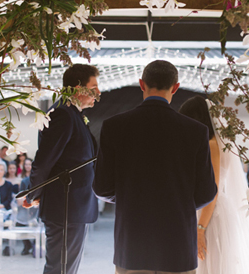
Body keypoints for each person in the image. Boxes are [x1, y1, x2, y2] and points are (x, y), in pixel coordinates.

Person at [93, 60, 217, 274]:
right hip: (177, 244)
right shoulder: (196, 131)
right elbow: (206, 192)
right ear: (175, 88)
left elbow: (102, 187)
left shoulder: (114, 126)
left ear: (142, 84)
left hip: (132, 242)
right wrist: (179, 203)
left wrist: (128, 197)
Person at [23, 64, 101, 274]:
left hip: (75, 207)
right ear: (77, 88)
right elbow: (44, 161)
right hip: (66, 206)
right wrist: (33, 194)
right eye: (94, 87)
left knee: (67, 269)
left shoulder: (74, 115)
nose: (98, 93)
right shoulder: (62, 115)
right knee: (60, 268)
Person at [178, 96, 249, 274]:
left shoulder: (213, 145)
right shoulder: (207, 144)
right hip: (203, 210)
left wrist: (200, 228)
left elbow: (212, 190)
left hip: (211, 213)